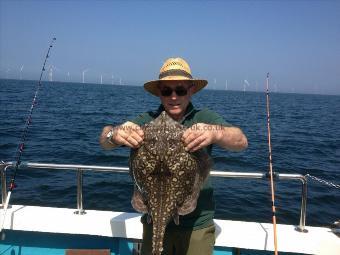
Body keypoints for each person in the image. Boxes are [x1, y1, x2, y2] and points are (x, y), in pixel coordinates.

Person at [99, 57, 248, 255]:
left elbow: (241, 142)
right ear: (159, 93)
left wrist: (216, 133)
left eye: (180, 90)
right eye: (167, 91)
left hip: (197, 224)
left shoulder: (205, 119)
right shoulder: (146, 120)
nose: (174, 97)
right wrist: (115, 133)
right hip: (152, 218)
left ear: (191, 89)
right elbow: (104, 140)